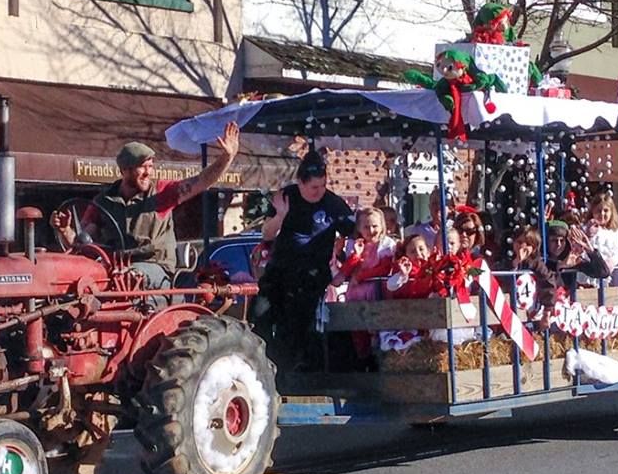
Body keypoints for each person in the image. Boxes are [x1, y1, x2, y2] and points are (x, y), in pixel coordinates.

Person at [50, 122, 240, 293]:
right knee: (82, 278)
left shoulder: (161, 194)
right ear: (124, 170)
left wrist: (227, 157)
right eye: (142, 167)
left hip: (155, 267)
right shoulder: (103, 202)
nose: (148, 172)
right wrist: (65, 230)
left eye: (150, 166)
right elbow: (83, 245)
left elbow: (201, 181)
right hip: (115, 269)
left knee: (130, 276)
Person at [253, 150, 355, 372]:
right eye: (314, 187)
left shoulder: (333, 203)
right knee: (260, 313)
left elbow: (354, 231)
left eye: (323, 185)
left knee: (295, 323)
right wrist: (280, 216)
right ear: (300, 182)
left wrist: (344, 255)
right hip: (280, 270)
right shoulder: (285, 196)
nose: (319, 191)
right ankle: (262, 365)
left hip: (311, 274)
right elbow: (267, 234)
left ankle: (289, 372)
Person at [334, 207, 397, 366]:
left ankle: (379, 358)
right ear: (359, 228)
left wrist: (362, 276)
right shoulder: (355, 245)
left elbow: (384, 268)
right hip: (356, 292)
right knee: (357, 329)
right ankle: (362, 360)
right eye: (366, 227)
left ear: (382, 226)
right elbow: (348, 269)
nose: (371, 230)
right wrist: (355, 256)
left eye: (375, 226)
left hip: (376, 290)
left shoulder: (387, 244)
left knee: (377, 327)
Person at [545, 220, 611, 291]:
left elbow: (603, 272)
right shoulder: (540, 259)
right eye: (553, 240)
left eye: (562, 240)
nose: (558, 244)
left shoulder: (571, 260)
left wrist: (591, 251)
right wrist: (560, 266)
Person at [511, 227, 561, 316]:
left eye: (528, 244)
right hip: (509, 307)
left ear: (534, 248)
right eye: (519, 242)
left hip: (532, 309)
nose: (522, 246)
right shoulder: (506, 260)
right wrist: (516, 263)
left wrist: (547, 310)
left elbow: (548, 282)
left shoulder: (537, 264)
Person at [580, 192, 618, 286]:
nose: (602, 214)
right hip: (587, 276)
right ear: (592, 211)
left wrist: (610, 264)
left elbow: (616, 253)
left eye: (606, 210)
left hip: (605, 276)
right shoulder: (586, 227)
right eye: (598, 211)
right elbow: (581, 251)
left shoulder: (614, 230)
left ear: (611, 212)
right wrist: (588, 234)